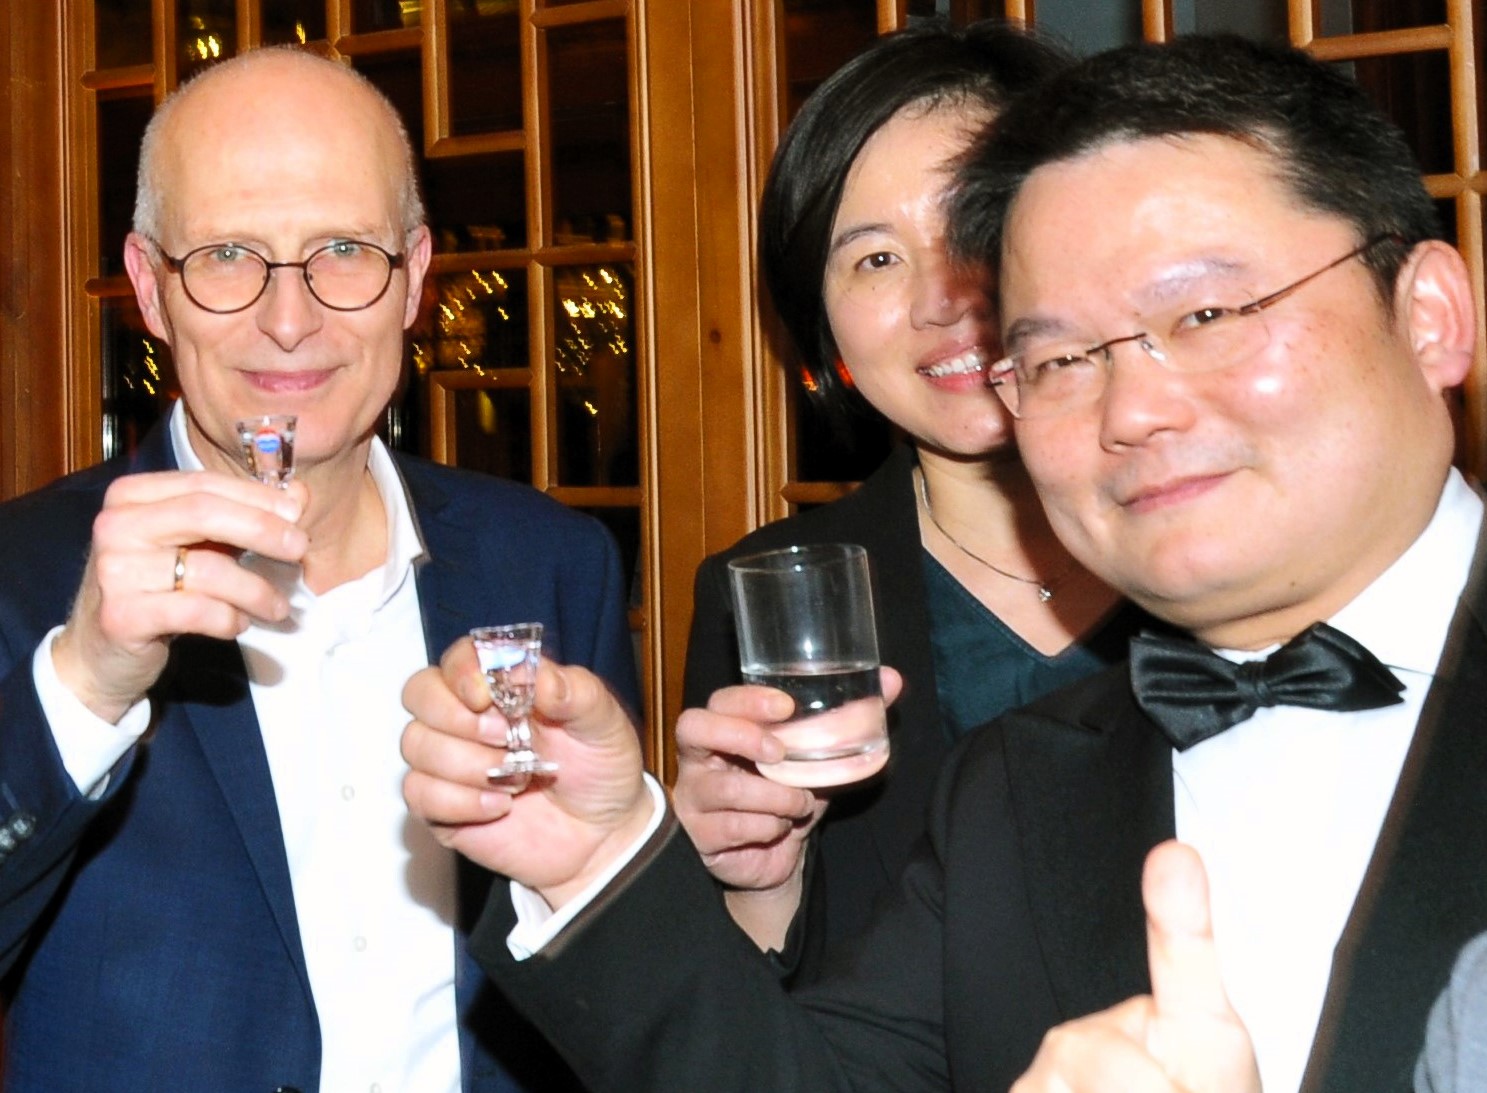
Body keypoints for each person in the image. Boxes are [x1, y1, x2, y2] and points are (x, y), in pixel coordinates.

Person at [399, 33, 1485, 1093]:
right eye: (1062, 358)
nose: (1133, 408)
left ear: (1428, 315)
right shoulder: (1019, 784)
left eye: (1203, 312)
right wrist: (596, 861)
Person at [0, 47, 638, 1093]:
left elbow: (617, 986)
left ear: (416, 276)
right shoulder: (22, 576)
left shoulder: (550, 563)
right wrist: (84, 685)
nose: (289, 321)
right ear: (151, 288)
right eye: (227, 255)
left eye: (342, 250)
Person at [677, 18, 1138, 969]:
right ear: (824, 329)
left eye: (976, 223)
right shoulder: (764, 592)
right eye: (875, 258)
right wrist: (754, 884)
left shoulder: (1220, 531)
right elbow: (759, 1015)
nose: (941, 299)